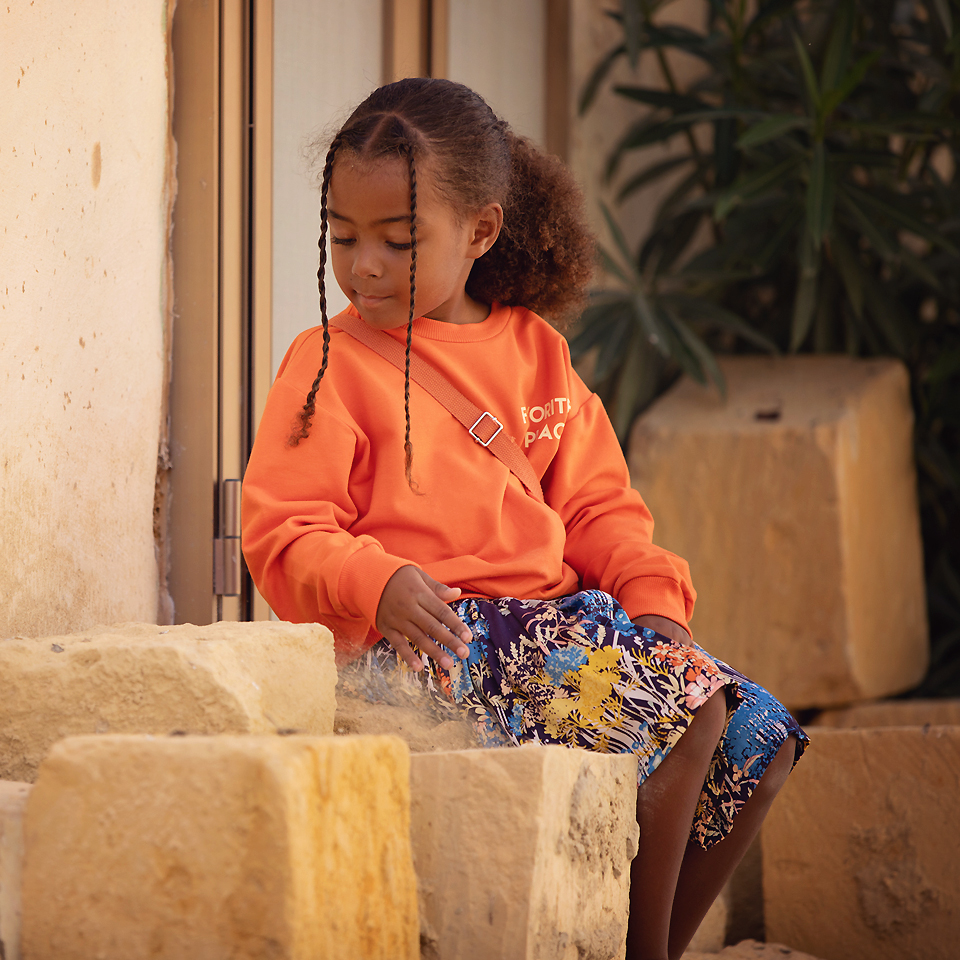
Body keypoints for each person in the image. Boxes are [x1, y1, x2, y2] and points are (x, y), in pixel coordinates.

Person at [242, 77, 807, 960]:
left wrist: (653, 602)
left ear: (481, 231)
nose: (363, 266)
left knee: (759, 737)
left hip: (557, 629)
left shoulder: (538, 351)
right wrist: (377, 582)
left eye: (398, 240)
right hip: (433, 644)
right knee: (693, 712)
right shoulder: (325, 364)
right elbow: (282, 531)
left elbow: (597, 505)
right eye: (342, 236)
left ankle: (647, 941)